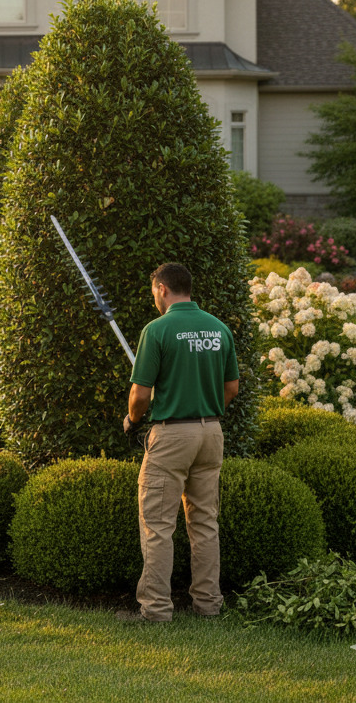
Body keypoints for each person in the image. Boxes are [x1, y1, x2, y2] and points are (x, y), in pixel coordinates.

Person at [123, 263, 239, 622]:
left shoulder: (157, 330)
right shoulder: (219, 329)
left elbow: (140, 394)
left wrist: (133, 419)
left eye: (153, 292)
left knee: (157, 524)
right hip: (211, 432)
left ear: (161, 289)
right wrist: (205, 406)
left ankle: (156, 610)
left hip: (172, 435)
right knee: (205, 522)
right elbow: (232, 388)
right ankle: (208, 605)